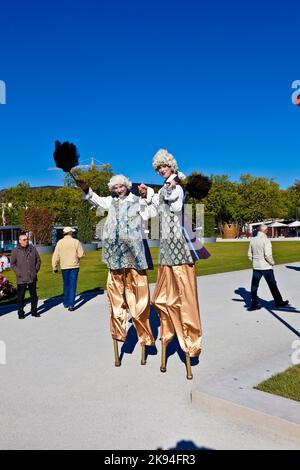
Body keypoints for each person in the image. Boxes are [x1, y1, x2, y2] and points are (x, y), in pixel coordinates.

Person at [76, 175, 155, 367]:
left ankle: (144, 339)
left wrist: (146, 196)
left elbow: (150, 212)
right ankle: (119, 333)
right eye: (116, 188)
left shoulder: (137, 201)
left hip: (134, 254)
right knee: (116, 296)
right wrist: (86, 189)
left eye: (121, 187)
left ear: (127, 186)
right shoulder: (111, 202)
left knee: (138, 295)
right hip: (114, 254)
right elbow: (95, 199)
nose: (119, 190)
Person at [138, 149, 203, 380]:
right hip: (166, 248)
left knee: (185, 298)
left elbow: (176, 208)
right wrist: (147, 195)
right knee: (161, 298)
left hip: (180, 247)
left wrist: (170, 188)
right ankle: (168, 332)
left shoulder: (177, 184)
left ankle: (189, 340)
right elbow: (149, 213)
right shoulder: (164, 188)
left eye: (163, 167)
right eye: (157, 168)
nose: (160, 170)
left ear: (171, 166)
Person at [248, 224, 289, 311]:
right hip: (266, 267)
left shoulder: (253, 240)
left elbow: (249, 255)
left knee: (254, 286)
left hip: (256, 266)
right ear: (265, 231)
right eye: (267, 230)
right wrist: (272, 263)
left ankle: (254, 304)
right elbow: (267, 255)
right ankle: (279, 302)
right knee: (273, 285)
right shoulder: (266, 240)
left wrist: (254, 261)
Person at [52, 227, 84, 311]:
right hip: (74, 266)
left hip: (64, 266)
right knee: (72, 285)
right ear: (70, 233)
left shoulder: (60, 242)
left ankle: (66, 302)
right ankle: (71, 305)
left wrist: (54, 267)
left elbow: (55, 256)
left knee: (66, 284)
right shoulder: (76, 242)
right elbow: (81, 254)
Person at [10, 233, 41, 319]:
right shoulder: (15, 251)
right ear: (20, 241)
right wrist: (19, 273)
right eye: (24, 239)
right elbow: (12, 264)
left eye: (27, 239)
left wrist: (35, 270)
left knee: (33, 296)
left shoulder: (33, 249)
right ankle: (21, 313)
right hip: (21, 278)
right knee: (21, 296)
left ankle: (34, 312)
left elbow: (38, 260)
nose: (26, 241)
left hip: (32, 277)